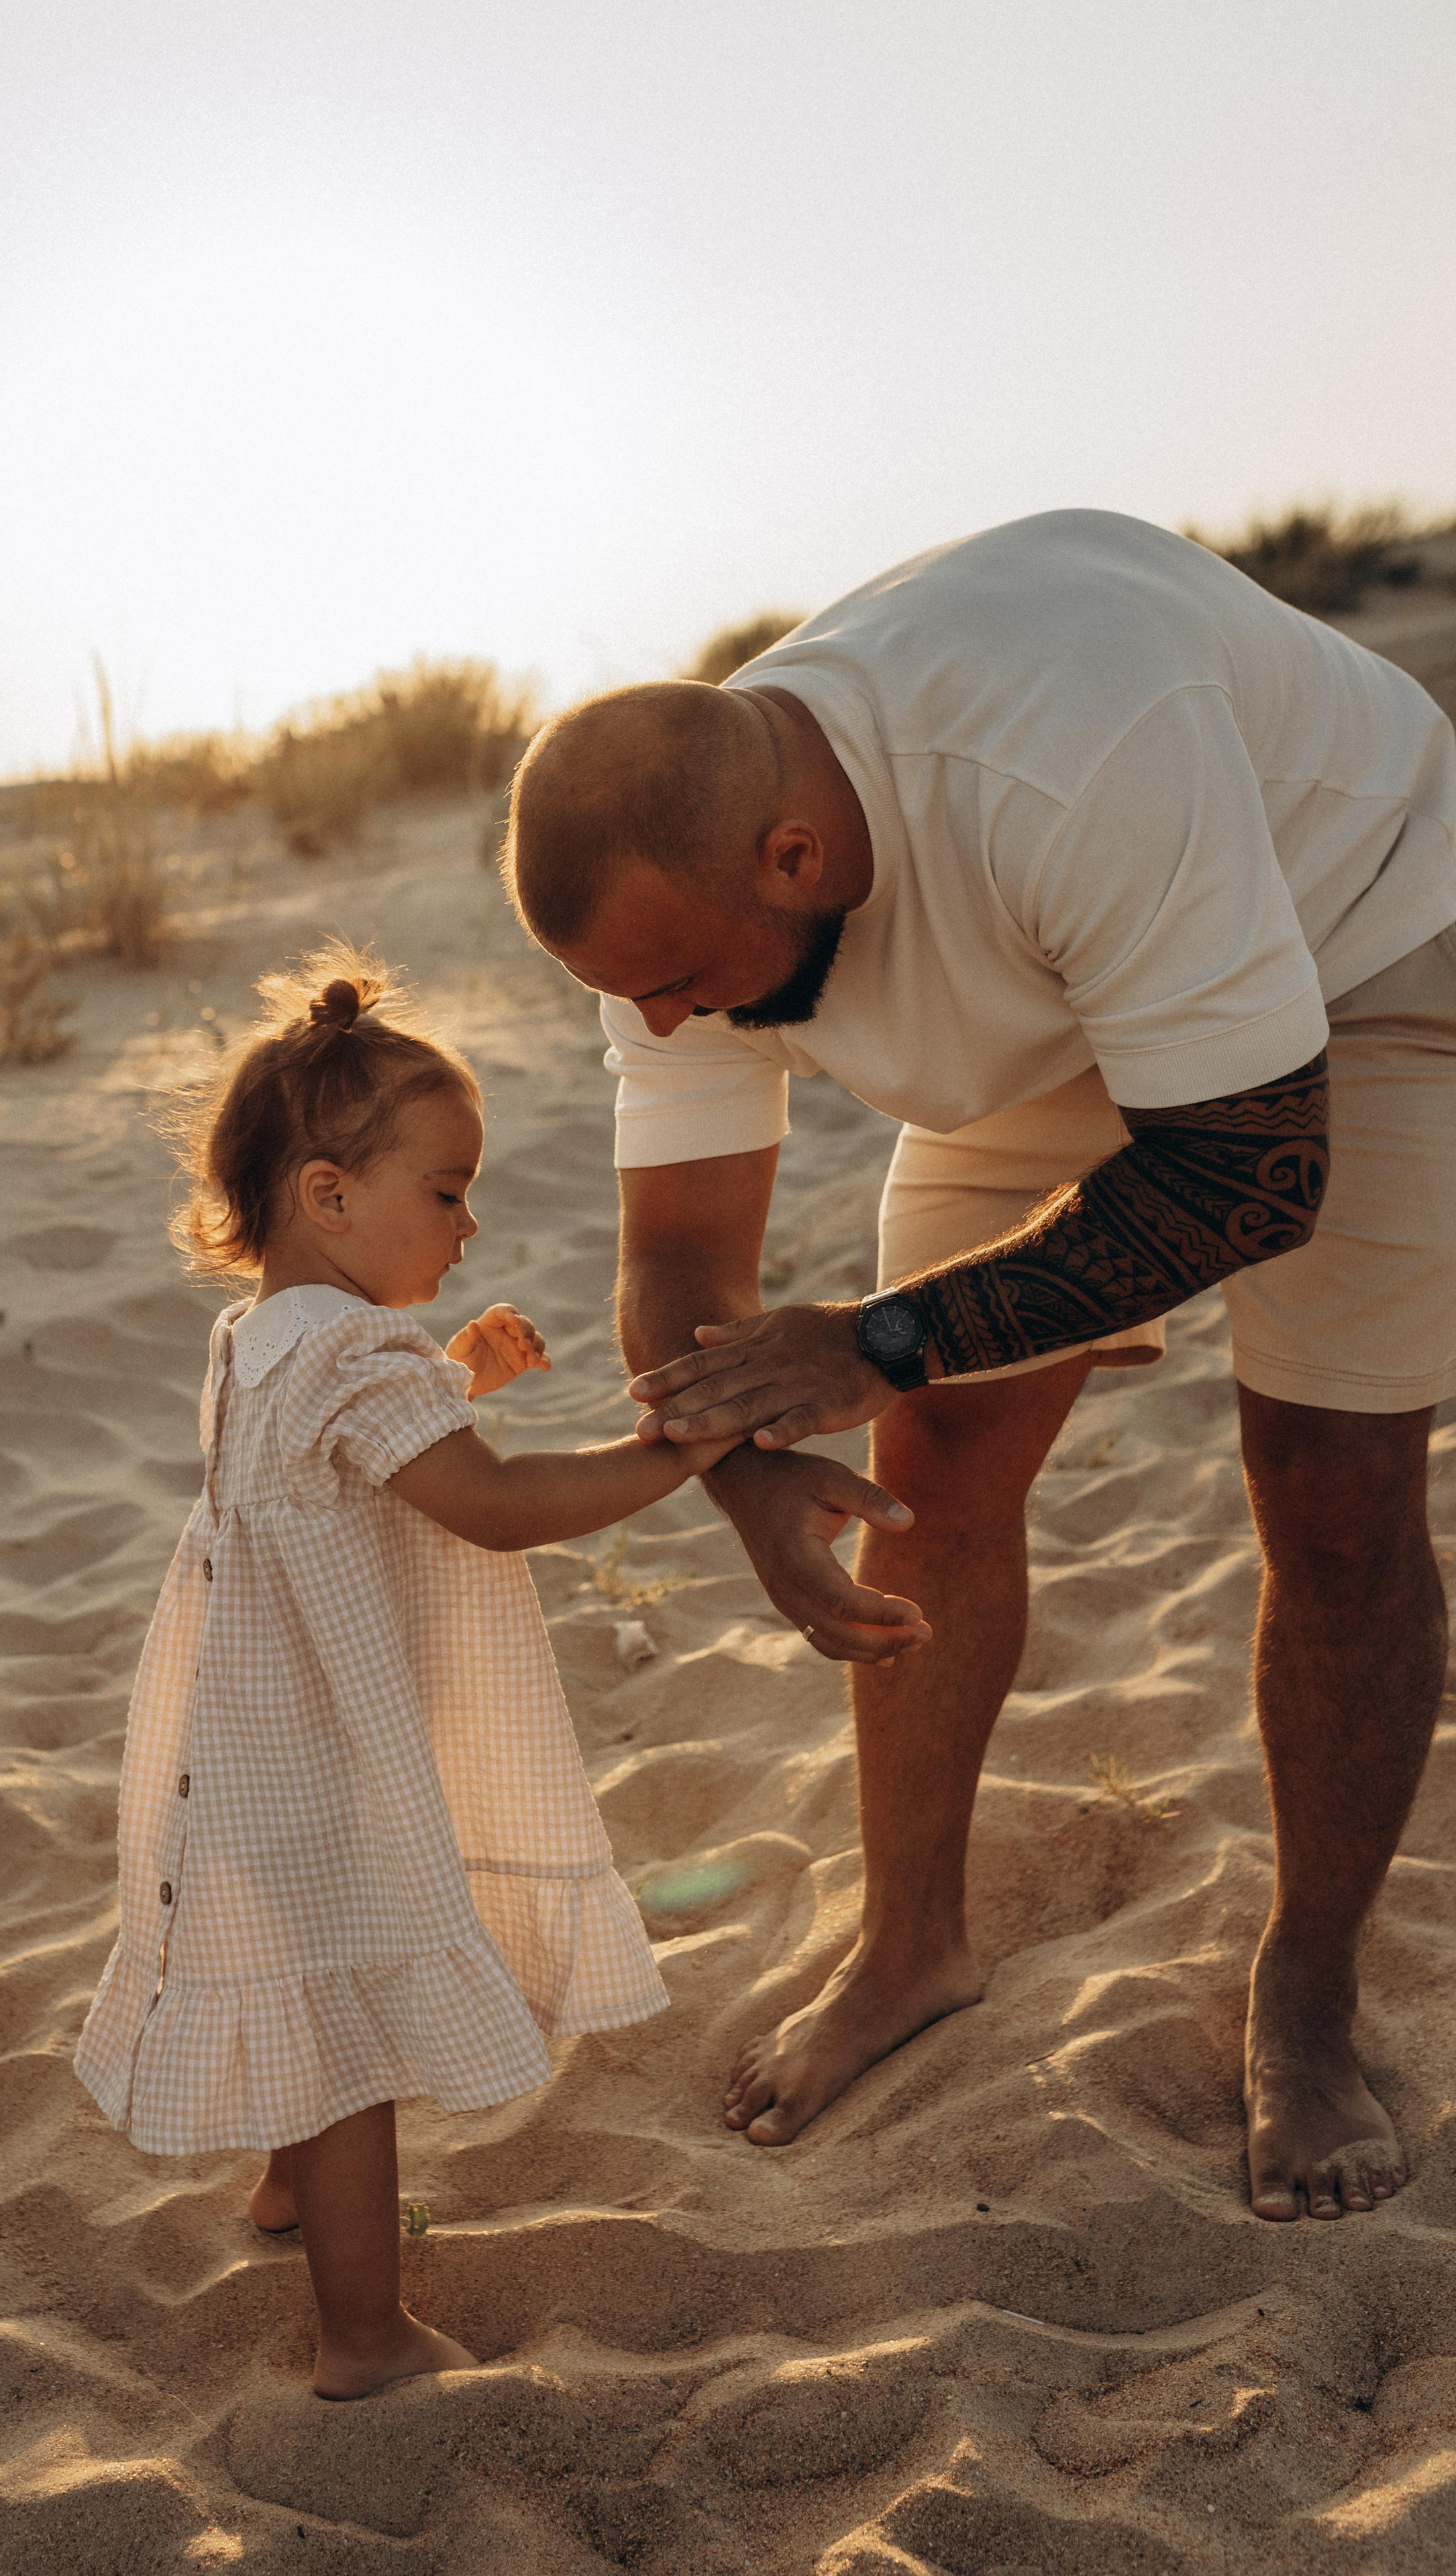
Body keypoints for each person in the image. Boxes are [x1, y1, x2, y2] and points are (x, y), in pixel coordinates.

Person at [502, 508, 1456, 2224]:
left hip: (1356, 931)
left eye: (675, 986)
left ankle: (1303, 1995)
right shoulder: (673, 892)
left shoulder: (1057, 760)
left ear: (794, 857)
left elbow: (1247, 1172)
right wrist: (749, 1475)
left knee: (1326, 1490)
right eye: (621, 996)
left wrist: (875, 1340)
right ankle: (909, 1945)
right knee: (924, 1469)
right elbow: (675, 1261)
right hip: (1060, 988)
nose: (654, 1025)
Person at [75, 945, 739, 2398]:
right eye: (443, 1193)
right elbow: (487, 1508)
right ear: (328, 1195)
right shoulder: (351, 1362)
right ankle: (363, 2335)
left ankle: (281, 2187)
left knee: (288, 1959)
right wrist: (663, 1458)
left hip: (234, 1727)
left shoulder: (264, 1334)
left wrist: (454, 1375)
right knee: (347, 2009)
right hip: (313, 1745)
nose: (469, 1218)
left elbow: (333, 1459)